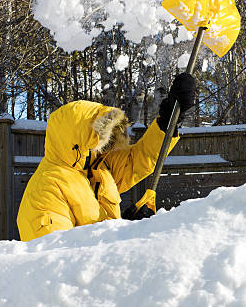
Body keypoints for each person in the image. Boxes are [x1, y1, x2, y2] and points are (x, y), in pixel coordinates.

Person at [17, 73, 196, 241]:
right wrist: (122, 236)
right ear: (78, 140)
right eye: (102, 138)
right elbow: (58, 259)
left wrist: (168, 121)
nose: (108, 146)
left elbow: (139, 159)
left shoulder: (97, 169)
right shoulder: (46, 190)